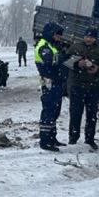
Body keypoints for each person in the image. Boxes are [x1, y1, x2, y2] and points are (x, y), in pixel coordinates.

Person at [67, 31, 99, 149]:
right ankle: (73, 138)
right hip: (77, 85)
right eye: (87, 36)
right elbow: (65, 62)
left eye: (91, 37)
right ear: (83, 36)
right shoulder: (75, 47)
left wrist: (96, 68)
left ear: (95, 39)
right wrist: (77, 64)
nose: (88, 39)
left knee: (92, 114)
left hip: (93, 87)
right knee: (75, 113)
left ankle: (90, 139)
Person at [34, 21, 69, 151]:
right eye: (57, 35)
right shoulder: (43, 46)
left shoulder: (52, 45)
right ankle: (45, 140)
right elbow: (52, 61)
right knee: (48, 111)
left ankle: (52, 138)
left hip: (56, 82)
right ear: (51, 34)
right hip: (49, 83)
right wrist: (65, 56)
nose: (60, 37)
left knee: (55, 111)